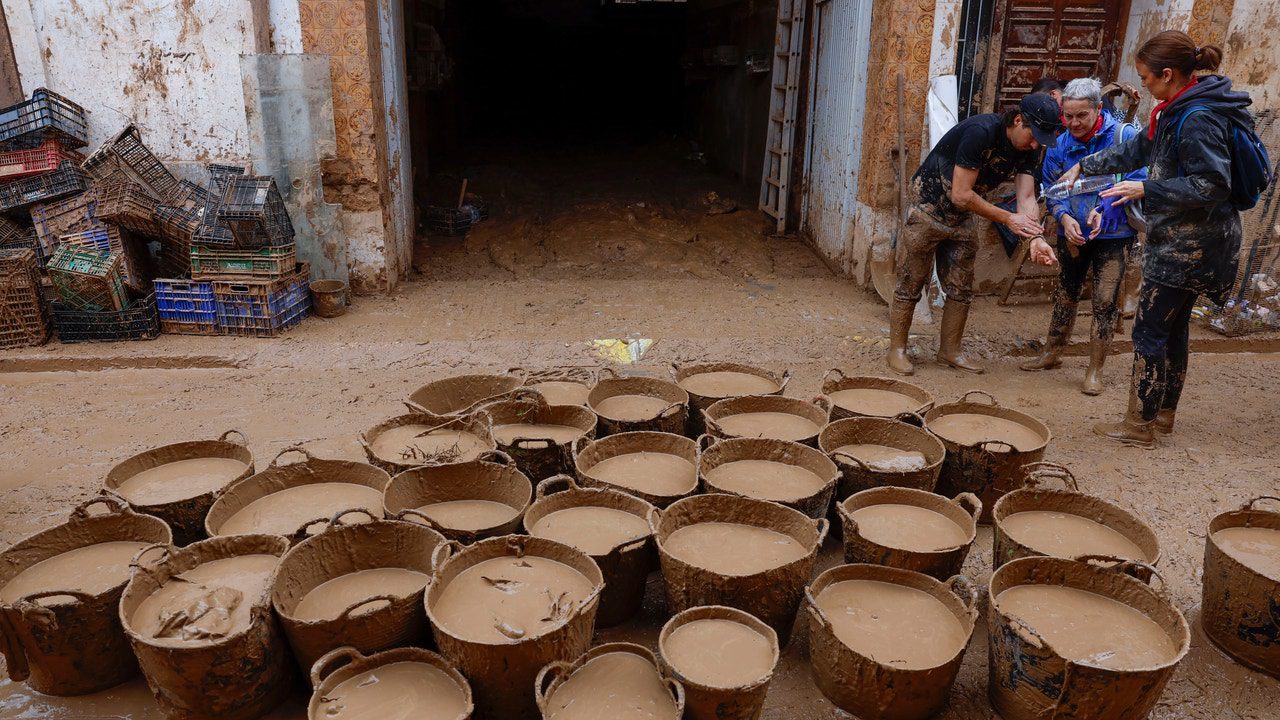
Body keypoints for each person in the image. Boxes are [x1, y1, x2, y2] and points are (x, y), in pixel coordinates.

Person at [1056, 30, 1253, 446]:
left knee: (1148, 330)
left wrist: (1147, 189)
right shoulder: (1175, 109)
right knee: (1174, 327)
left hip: (1192, 243)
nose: (1141, 84)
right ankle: (1162, 416)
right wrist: (1085, 165)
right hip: (1190, 238)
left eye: (1145, 77)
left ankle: (1138, 425)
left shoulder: (1197, 117)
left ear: (1167, 74)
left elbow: (1212, 184)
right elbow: (1138, 152)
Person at [887, 94, 1063, 375]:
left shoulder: (1031, 147)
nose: (1035, 144)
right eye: (1033, 135)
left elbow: (1027, 197)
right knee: (912, 279)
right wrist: (1007, 219)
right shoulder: (980, 132)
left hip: (963, 214)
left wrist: (1035, 238)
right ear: (1019, 120)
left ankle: (950, 351)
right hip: (929, 206)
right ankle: (897, 349)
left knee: (961, 284)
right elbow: (960, 194)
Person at [1022, 77, 1146, 395]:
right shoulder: (1061, 143)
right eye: (1069, 116)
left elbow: (1140, 178)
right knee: (1066, 292)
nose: (1074, 123)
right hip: (1073, 233)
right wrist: (1063, 218)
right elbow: (1053, 189)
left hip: (1114, 235)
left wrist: (1105, 209)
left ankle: (1095, 370)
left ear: (1098, 109)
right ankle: (1052, 352)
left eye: (1082, 116)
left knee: (1105, 303)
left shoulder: (1125, 137)